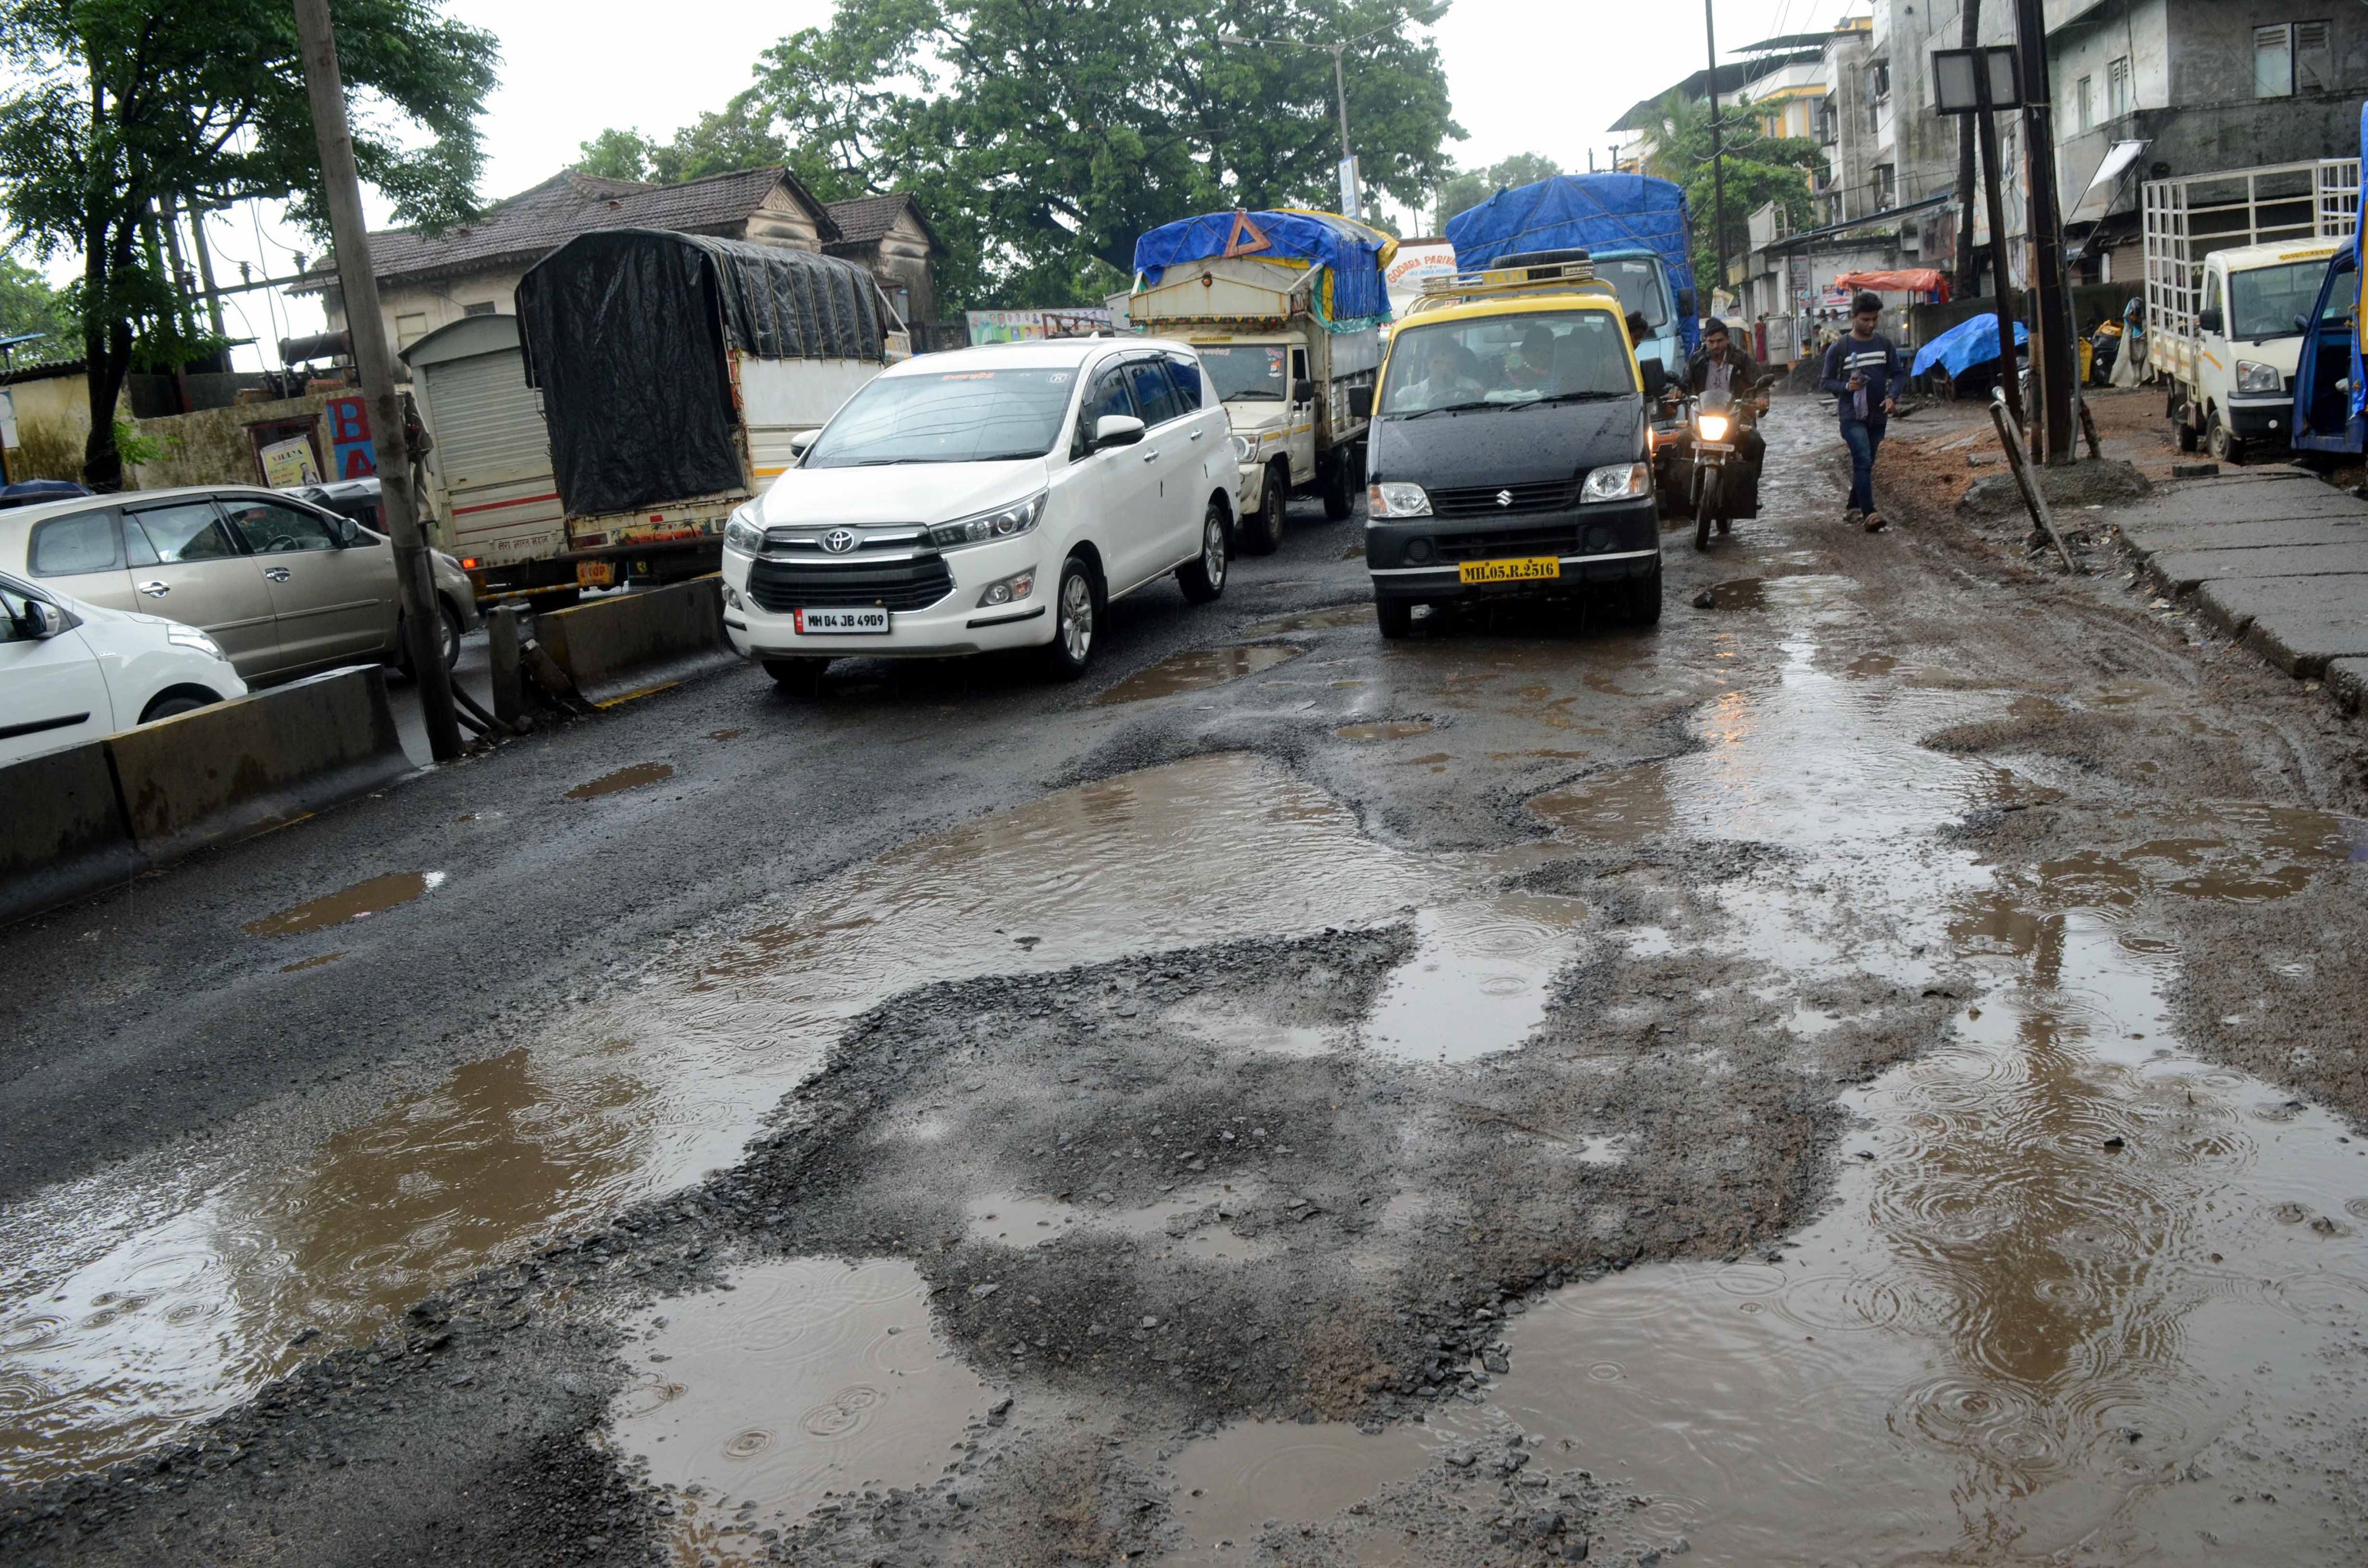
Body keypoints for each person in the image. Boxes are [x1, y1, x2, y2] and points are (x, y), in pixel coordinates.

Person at [1820, 291, 1903, 532]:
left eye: (1874, 319)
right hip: (1851, 415)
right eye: (1866, 319)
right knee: (1863, 459)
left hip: (1878, 415)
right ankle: (1870, 513)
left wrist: (1892, 397)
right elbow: (1826, 382)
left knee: (1867, 462)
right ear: (1854, 317)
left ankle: (1852, 507)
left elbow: (1898, 373)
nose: (1871, 324)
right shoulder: (1840, 347)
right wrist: (1847, 386)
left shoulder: (1885, 344)